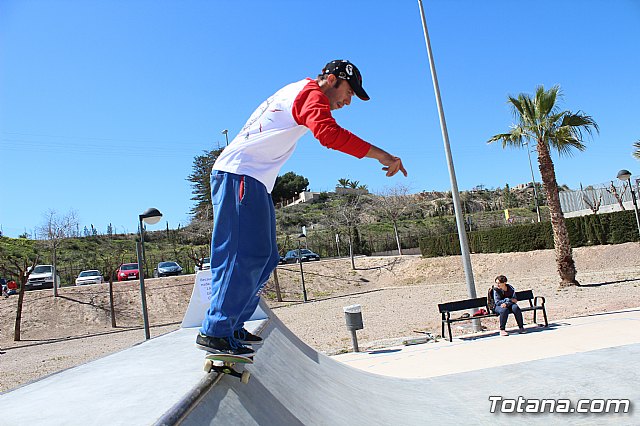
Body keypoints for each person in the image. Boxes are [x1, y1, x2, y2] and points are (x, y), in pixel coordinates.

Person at [197, 59, 407, 356]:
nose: (348, 101)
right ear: (333, 80)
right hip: (238, 176)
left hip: (254, 180)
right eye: (349, 92)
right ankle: (216, 331)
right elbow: (329, 135)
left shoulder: (302, 92)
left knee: (266, 257)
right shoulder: (310, 93)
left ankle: (231, 325)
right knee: (239, 255)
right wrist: (381, 155)